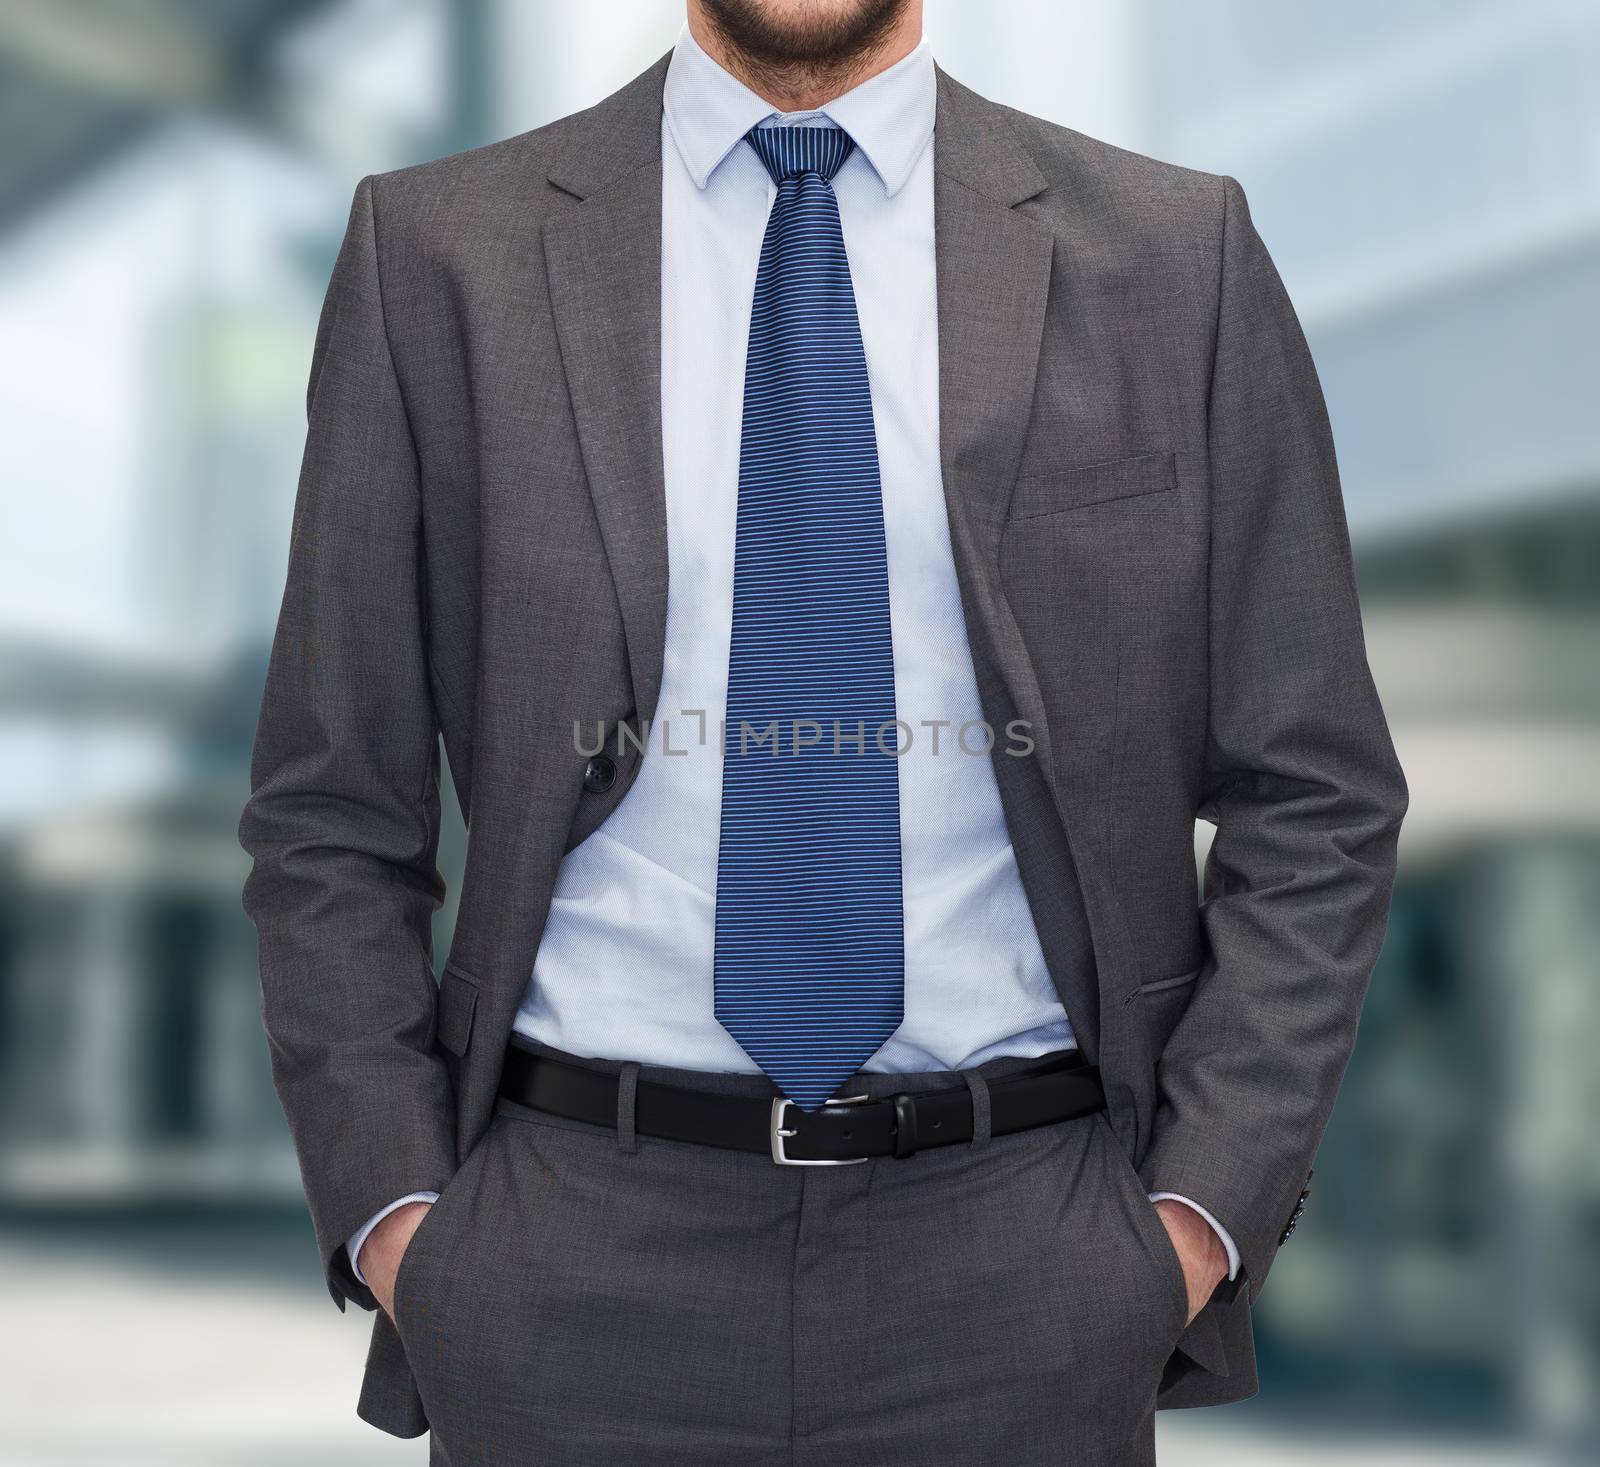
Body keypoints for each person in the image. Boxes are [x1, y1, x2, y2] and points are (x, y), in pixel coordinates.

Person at [238, 2, 1408, 1462]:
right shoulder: (438, 253)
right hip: (565, 1268)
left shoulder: (1176, 257)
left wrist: (1189, 1220)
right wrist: (407, 1223)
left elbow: (1318, 792)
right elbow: (329, 807)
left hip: (1027, 1264)